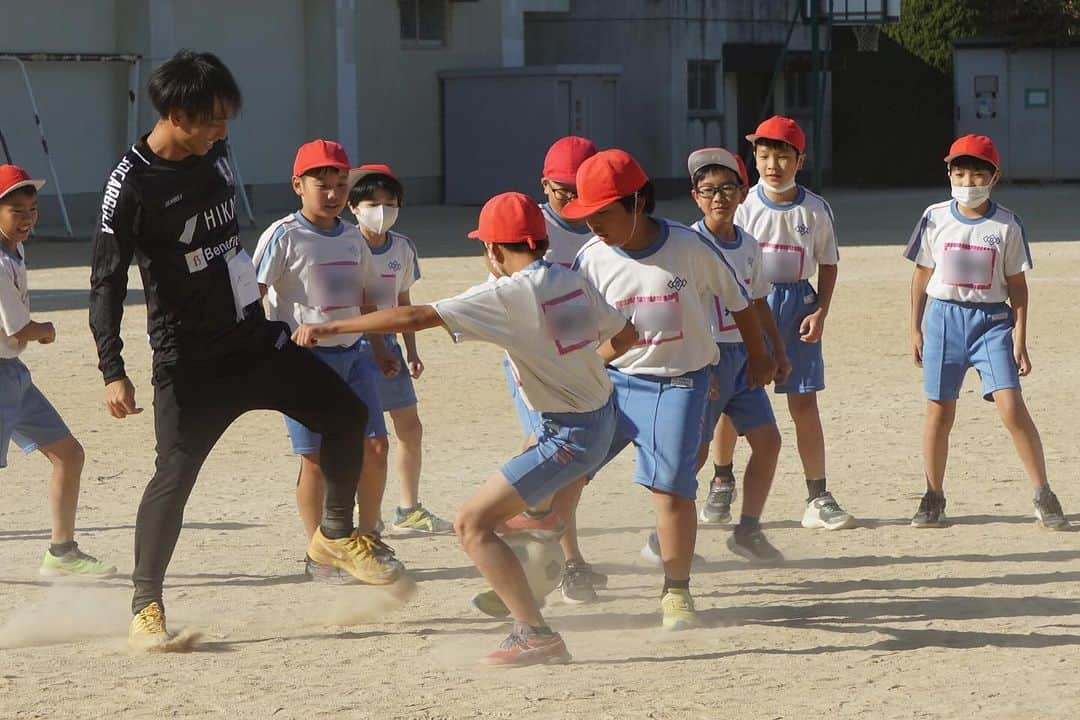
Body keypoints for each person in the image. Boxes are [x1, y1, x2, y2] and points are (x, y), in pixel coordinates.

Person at [89, 51, 402, 651]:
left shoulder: (217, 153)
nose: (222, 132)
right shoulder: (131, 183)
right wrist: (113, 368)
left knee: (347, 415)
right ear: (177, 115)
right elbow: (106, 278)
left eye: (227, 118)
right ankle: (145, 605)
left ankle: (335, 533)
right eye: (211, 120)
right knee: (174, 476)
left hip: (252, 337)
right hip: (190, 359)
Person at [293, 192, 638, 666]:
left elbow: (418, 316)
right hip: (600, 418)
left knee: (471, 525)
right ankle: (537, 525)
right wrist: (579, 369)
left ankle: (536, 632)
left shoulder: (509, 292)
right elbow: (628, 335)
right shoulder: (569, 279)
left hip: (568, 436)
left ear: (494, 251)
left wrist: (332, 327)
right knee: (517, 498)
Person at [566, 149, 776, 630]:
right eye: (586, 216)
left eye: (602, 213)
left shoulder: (690, 248)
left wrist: (761, 355)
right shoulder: (591, 257)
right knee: (566, 474)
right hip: (611, 382)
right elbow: (571, 324)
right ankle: (554, 568)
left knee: (672, 489)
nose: (593, 225)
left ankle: (675, 592)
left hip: (680, 382)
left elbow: (740, 302)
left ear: (637, 203)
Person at [252, 141, 406, 585]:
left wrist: (379, 347)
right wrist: (262, 350)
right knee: (316, 458)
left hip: (355, 355)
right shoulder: (283, 234)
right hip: (304, 363)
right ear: (298, 185)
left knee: (375, 447)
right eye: (323, 184)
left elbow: (366, 296)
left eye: (341, 184)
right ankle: (319, 551)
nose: (334, 193)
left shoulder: (353, 236)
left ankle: (366, 535)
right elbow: (254, 295)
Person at [903, 133, 1068, 530]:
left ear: (994, 177)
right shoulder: (935, 216)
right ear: (949, 173)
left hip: (992, 323)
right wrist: (915, 327)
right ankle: (933, 495)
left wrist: (1020, 337)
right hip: (943, 319)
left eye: (978, 174)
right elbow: (921, 273)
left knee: (1012, 407)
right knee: (939, 411)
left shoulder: (1007, 224)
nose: (968, 182)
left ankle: (1043, 492)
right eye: (960, 173)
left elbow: (1017, 286)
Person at [496, 136, 608, 605]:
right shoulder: (530, 225)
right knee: (559, 458)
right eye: (562, 190)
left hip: (593, 358)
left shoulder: (604, 223)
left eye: (580, 189)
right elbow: (504, 290)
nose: (571, 199)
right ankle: (564, 561)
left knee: (575, 467)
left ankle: (538, 546)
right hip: (539, 363)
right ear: (545, 184)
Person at [734, 115, 856, 530]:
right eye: (764, 155)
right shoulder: (743, 206)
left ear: (799, 160)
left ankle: (817, 495)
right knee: (734, 400)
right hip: (749, 305)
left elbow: (829, 263)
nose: (772, 164)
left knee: (803, 402)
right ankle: (720, 480)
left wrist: (820, 310)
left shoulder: (815, 209)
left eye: (782, 156)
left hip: (797, 305)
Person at [0, 164, 115, 578]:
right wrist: (47, 330)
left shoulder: (16, 249)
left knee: (69, 454)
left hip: (12, 374)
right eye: (17, 209)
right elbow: (21, 328)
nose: (28, 217)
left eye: (32, 208)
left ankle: (62, 552)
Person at [686, 147, 788, 564]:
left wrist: (775, 350)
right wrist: (700, 363)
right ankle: (664, 536)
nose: (719, 198)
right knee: (692, 453)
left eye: (728, 188)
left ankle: (747, 530)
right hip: (706, 358)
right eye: (708, 189)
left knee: (768, 442)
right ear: (695, 196)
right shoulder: (689, 244)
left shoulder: (747, 244)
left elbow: (758, 300)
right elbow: (686, 309)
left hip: (745, 355)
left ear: (743, 193)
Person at [346, 163, 452, 534]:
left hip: (390, 345)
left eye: (389, 203)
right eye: (372, 203)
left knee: (410, 428)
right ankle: (366, 515)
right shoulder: (346, 245)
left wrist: (411, 349)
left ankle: (409, 509)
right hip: (357, 348)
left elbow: (404, 302)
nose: (381, 210)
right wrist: (377, 347)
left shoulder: (403, 248)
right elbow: (361, 303)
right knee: (367, 437)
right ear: (353, 206)